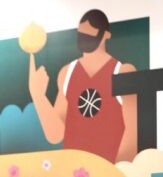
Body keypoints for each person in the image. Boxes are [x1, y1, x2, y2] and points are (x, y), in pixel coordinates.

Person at [28, 8, 137, 162]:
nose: (85, 38)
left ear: (106, 35)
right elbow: (56, 135)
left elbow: (133, 133)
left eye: (90, 34)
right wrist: (38, 96)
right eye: (81, 34)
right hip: (73, 174)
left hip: (108, 172)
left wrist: (116, 174)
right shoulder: (67, 73)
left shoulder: (123, 72)